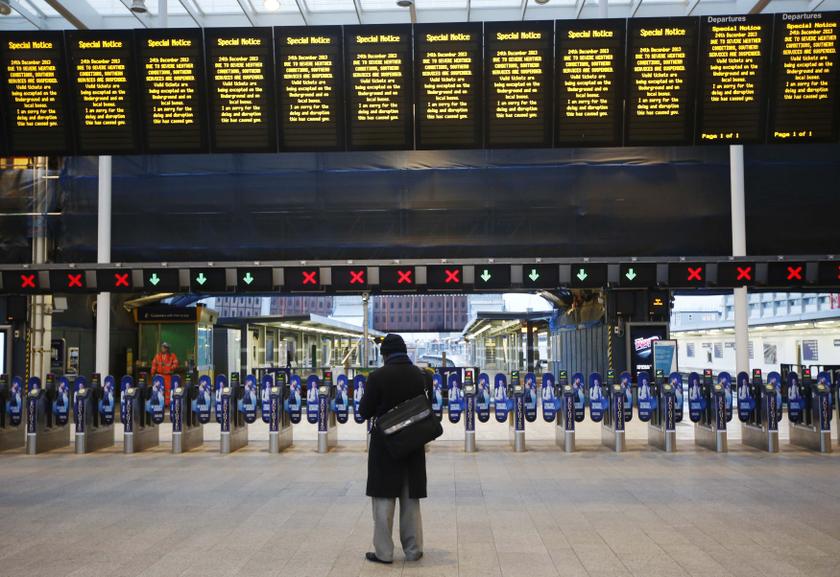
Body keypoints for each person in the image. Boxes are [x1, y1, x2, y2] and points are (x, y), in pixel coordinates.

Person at [358, 334, 431, 565]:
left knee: (383, 498)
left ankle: (384, 553)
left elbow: (364, 411)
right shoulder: (422, 376)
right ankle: (413, 549)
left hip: (386, 445)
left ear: (385, 354)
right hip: (413, 442)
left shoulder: (377, 377)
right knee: (410, 498)